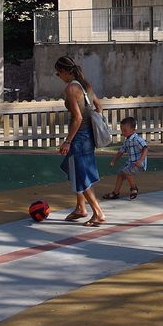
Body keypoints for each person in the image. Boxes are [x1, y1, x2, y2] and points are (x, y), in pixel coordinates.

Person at [54, 55, 105, 227]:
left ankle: (97, 213)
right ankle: (80, 207)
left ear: (65, 71)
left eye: (58, 73)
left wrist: (68, 141)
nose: (58, 76)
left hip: (79, 137)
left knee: (81, 175)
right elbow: (99, 107)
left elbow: (76, 118)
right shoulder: (85, 85)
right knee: (75, 170)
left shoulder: (71, 88)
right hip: (88, 135)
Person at [103, 117, 149, 200]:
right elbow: (121, 151)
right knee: (121, 174)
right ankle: (115, 192)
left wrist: (140, 160)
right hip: (131, 163)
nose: (122, 132)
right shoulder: (127, 141)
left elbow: (145, 149)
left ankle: (134, 188)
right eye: (121, 130)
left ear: (133, 130)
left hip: (138, 164)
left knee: (127, 172)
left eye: (125, 130)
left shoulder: (137, 139)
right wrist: (114, 160)